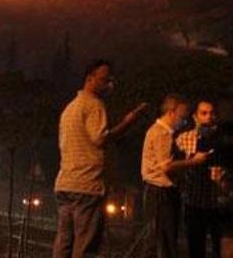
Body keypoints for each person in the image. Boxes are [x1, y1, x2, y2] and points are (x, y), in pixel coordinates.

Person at [53, 60, 147, 258]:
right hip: (87, 185)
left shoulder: (70, 108)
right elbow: (100, 138)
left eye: (111, 80)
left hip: (65, 184)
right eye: (105, 79)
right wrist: (127, 123)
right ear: (90, 79)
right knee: (85, 246)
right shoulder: (95, 105)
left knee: (63, 243)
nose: (109, 84)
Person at [142, 94, 210, 258]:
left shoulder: (161, 132)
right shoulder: (162, 133)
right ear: (172, 112)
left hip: (160, 193)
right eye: (183, 117)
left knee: (163, 242)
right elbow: (166, 166)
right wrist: (194, 161)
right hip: (160, 193)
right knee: (164, 244)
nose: (184, 122)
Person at [175, 100, 226, 258]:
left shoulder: (223, 140)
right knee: (196, 249)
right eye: (204, 113)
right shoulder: (184, 139)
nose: (208, 117)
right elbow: (174, 165)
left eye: (212, 113)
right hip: (194, 201)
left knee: (221, 249)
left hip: (218, 202)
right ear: (195, 117)